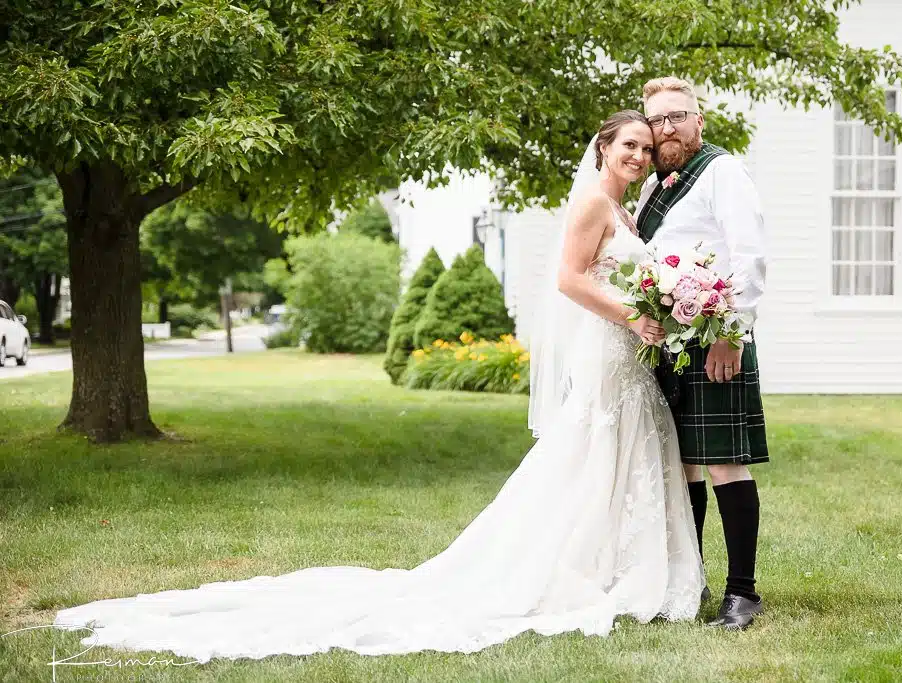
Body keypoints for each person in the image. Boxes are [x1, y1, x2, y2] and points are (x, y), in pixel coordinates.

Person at [52, 111, 705, 663]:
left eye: (646, 150)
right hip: (609, 346)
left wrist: (658, 307)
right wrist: (633, 314)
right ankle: (576, 570)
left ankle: (613, 567)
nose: (640, 157)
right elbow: (567, 278)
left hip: (625, 349)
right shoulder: (593, 199)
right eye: (630, 147)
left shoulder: (622, 204)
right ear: (602, 148)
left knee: (611, 456)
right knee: (589, 454)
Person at [634, 77, 770, 631]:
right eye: (657, 121)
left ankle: (743, 594)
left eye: (677, 116)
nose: (667, 129)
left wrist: (730, 334)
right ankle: (692, 579)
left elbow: (750, 256)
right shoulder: (650, 188)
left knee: (721, 462)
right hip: (668, 344)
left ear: (699, 120)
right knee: (681, 463)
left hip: (715, 337)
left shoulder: (722, 171)